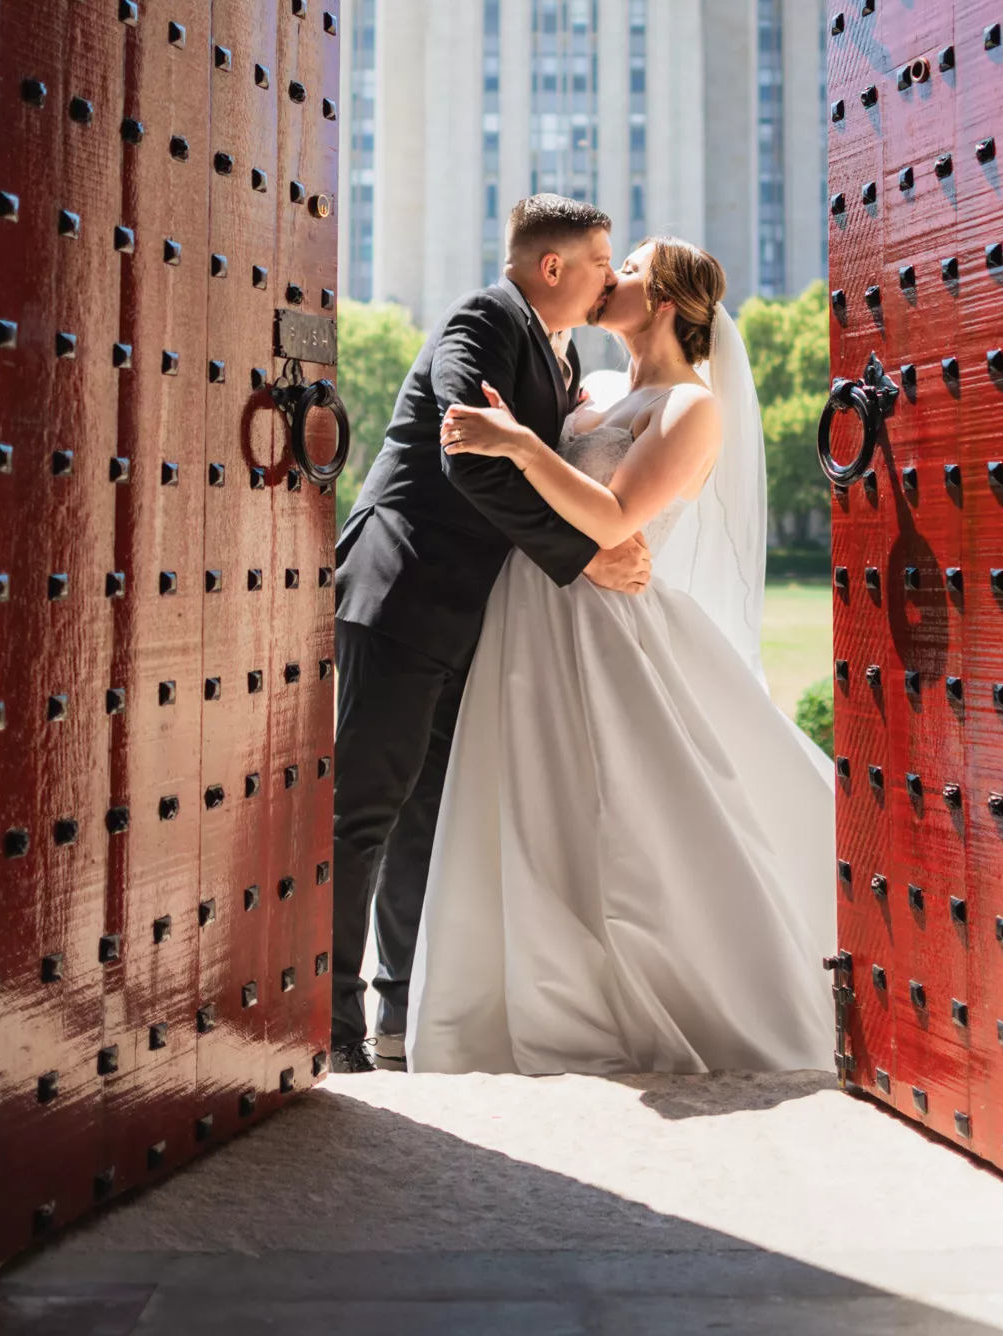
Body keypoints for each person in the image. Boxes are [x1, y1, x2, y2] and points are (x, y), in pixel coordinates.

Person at [409, 236, 838, 1076]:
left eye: (628, 268)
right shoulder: (594, 389)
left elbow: (612, 522)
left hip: (607, 630)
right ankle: (516, 1005)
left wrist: (523, 446)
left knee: (628, 820)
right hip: (527, 616)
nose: (610, 278)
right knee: (526, 805)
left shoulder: (690, 410)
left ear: (666, 302)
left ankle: (660, 999)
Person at [331, 196, 652, 1073]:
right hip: (398, 592)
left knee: (423, 819)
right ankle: (329, 1028)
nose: (612, 278)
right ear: (552, 268)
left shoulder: (568, 351)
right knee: (363, 813)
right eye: (601, 262)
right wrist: (583, 558)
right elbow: (465, 454)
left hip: (467, 616)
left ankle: (400, 1017)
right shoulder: (482, 317)